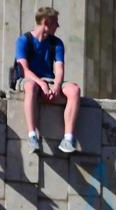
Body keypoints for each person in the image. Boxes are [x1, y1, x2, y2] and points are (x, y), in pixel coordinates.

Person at [13, 6, 80, 154]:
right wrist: (42, 84)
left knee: (74, 90)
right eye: (55, 22)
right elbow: (24, 69)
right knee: (31, 87)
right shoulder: (24, 40)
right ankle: (32, 136)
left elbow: (59, 68)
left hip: (49, 79)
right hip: (29, 79)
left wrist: (56, 85)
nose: (58, 26)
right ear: (46, 22)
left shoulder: (56, 43)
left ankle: (68, 138)